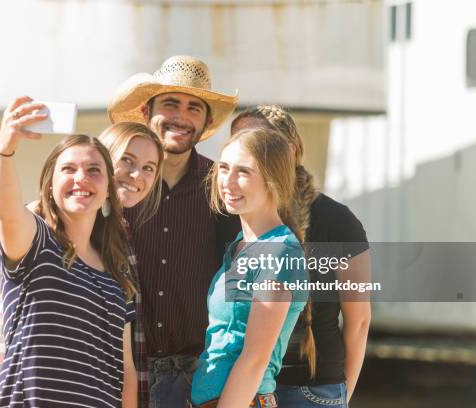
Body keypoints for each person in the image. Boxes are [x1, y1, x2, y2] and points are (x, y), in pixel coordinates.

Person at [0, 121, 165, 408]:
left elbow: (126, 367)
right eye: (69, 169)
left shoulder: (116, 270)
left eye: (94, 170)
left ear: (108, 187)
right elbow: (5, 207)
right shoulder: (37, 245)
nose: (81, 178)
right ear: (50, 184)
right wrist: (5, 150)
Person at [107, 55, 242, 407]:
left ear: (206, 121)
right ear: (145, 113)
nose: (182, 117)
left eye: (194, 108)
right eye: (170, 104)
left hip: (195, 372)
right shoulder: (116, 181)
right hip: (119, 366)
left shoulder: (219, 185)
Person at [231, 105, 371, 407]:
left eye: (258, 142)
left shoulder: (338, 220)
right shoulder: (232, 215)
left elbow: (358, 321)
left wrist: (340, 395)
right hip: (240, 387)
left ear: (291, 151)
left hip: (315, 390)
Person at [189, 127, 308, 408]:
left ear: (272, 179)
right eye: (224, 168)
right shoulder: (241, 245)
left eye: (243, 172)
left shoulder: (280, 252)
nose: (227, 182)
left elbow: (254, 360)